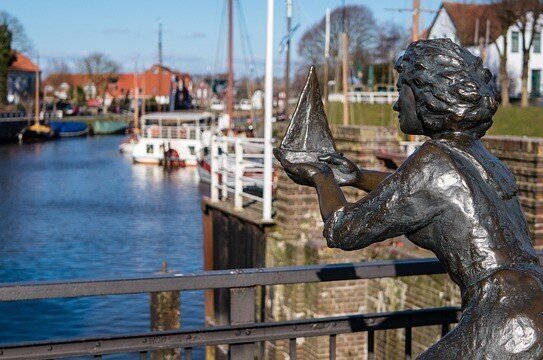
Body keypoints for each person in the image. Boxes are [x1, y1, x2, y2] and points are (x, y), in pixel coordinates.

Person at [275, 38, 543, 359]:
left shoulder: (432, 162)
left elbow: (341, 229)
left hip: (506, 317)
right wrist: (357, 175)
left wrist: (320, 176)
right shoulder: (482, 158)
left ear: (427, 95)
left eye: (402, 89)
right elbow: (414, 192)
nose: (396, 103)